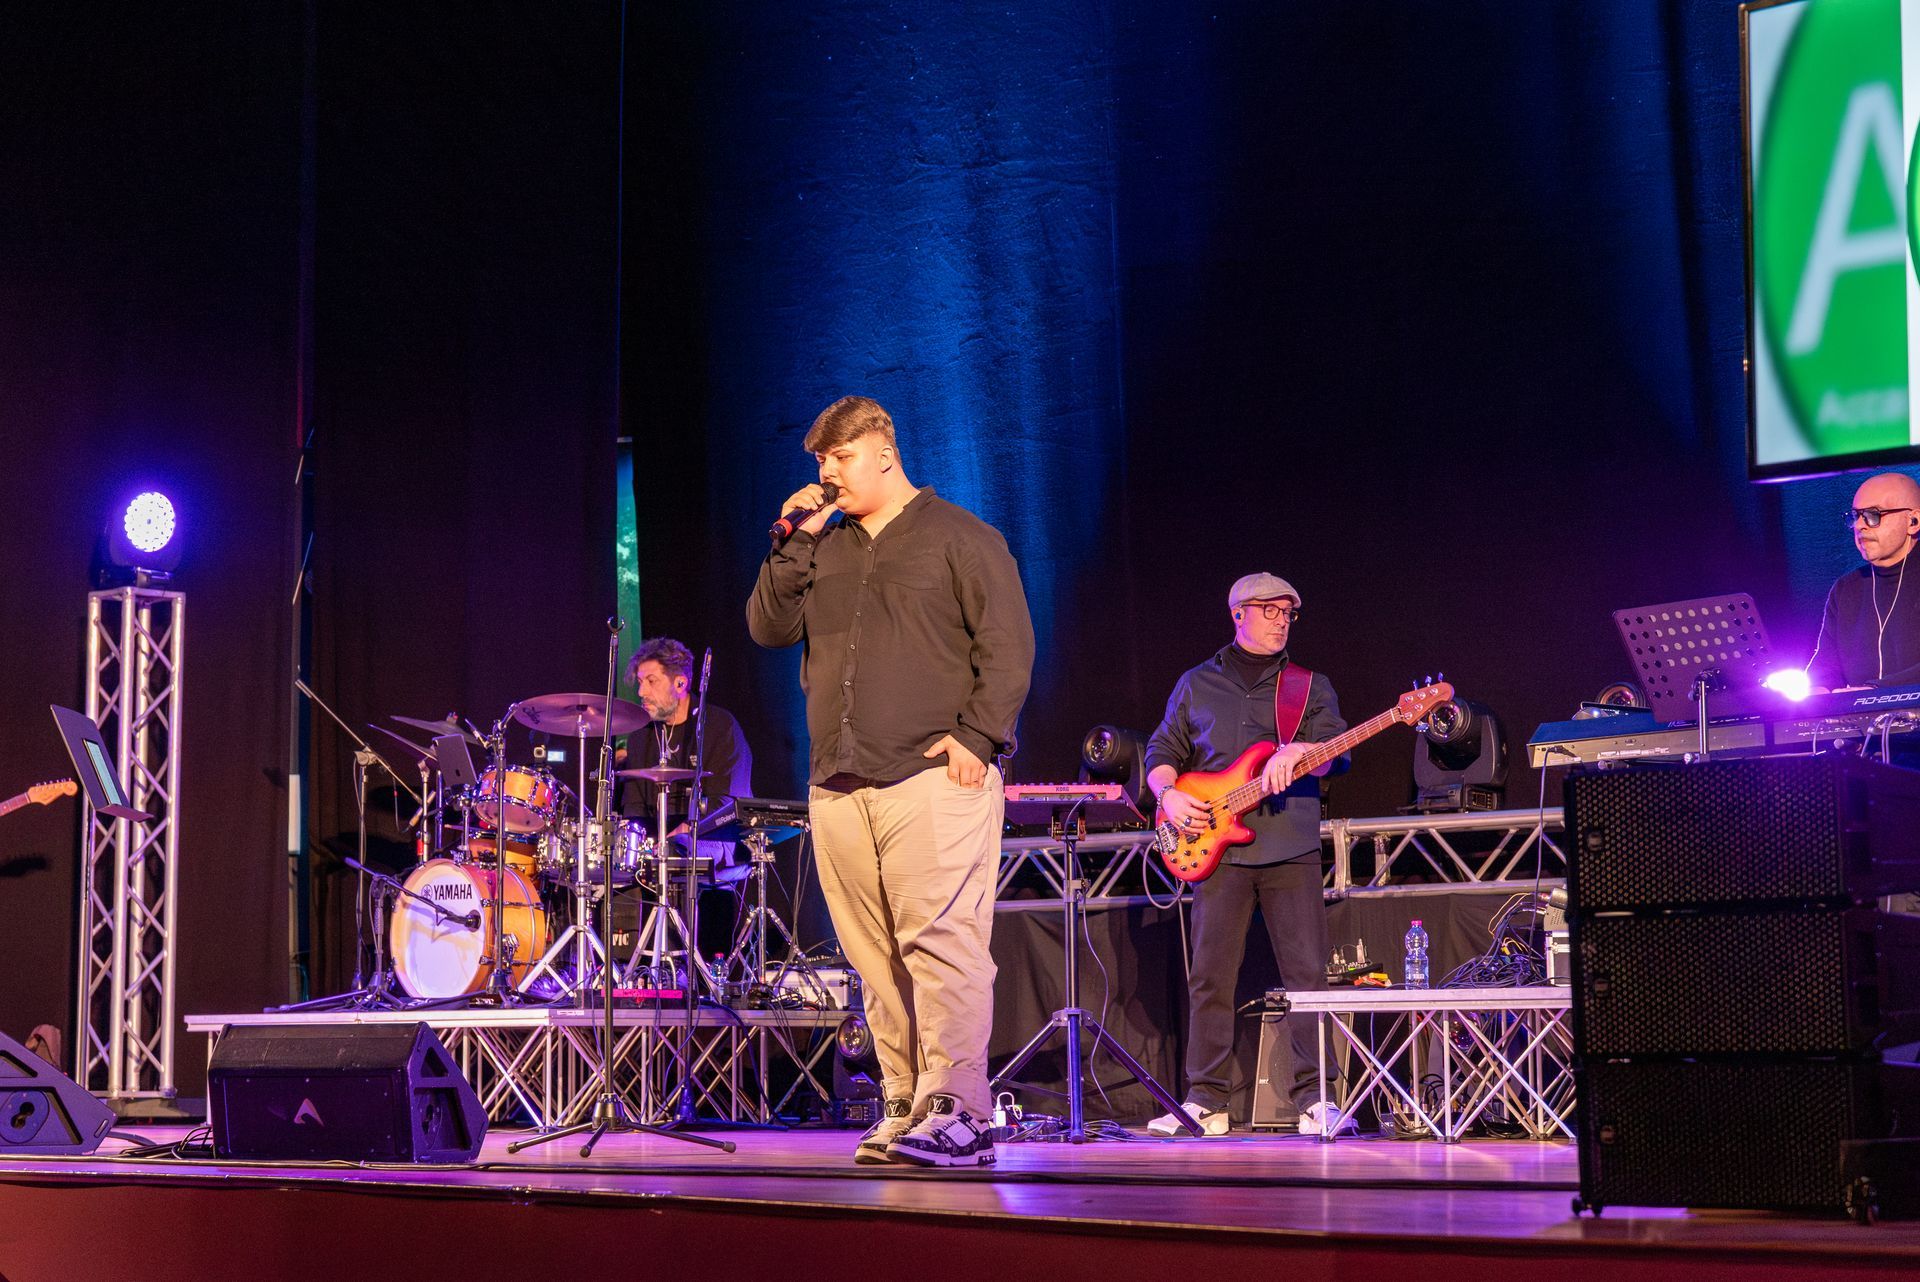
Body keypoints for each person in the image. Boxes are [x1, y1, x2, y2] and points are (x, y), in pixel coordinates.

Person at [747, 395, 1034, 1167]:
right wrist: (794, 540)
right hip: (838, 780)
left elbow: (1008, 646)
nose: (826, 475)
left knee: (943, 943)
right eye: (819, 463)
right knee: (872, 957)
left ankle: (961, 1107)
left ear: (881, 451)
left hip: (929, 776)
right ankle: (906, 1099)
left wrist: (978, 736)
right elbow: (767, 627)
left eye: (837, 459)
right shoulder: (823, 546)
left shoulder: (960, 537)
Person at [1141, 572, 1352, 1138]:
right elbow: (1161, 752)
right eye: (1272, 609)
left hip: (1289, 847)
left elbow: (1337, 754)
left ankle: (1316, 1099)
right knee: (1210, 977)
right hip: (1215, 849)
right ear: (1239, 613)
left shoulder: (1309, 686)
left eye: (1289, 612)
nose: (1284, 618)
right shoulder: (1195, 683)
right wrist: (1169, 792)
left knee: (1306, 975)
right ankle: (1205, 1103)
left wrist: (1307, 751)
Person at [618, 636, 753, 830]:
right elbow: (634, 808)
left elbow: (726, 804)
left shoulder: (720, 727)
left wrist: (686, 831)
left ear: (680, 684)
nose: (641, 692)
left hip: (712, 838)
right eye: (640, 682)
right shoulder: (640, 737)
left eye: (651, 681)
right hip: (655, 845)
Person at [1806, 472, 1920, 691]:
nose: (1859, 525)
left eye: (1873, 515)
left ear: (1913, 522)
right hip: (1861, 724)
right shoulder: (1847, 588)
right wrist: (1817, 694)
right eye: (1855, 516)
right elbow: (1825, 672)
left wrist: (1876, 691)